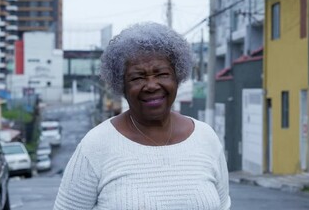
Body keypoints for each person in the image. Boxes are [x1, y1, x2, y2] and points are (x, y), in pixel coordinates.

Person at [53, 22, 231, 210]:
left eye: (162, 74)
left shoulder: (206, 138)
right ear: (121, 85)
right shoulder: (96, 145)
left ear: (177, 77)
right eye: (137, 77)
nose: (152, 85)